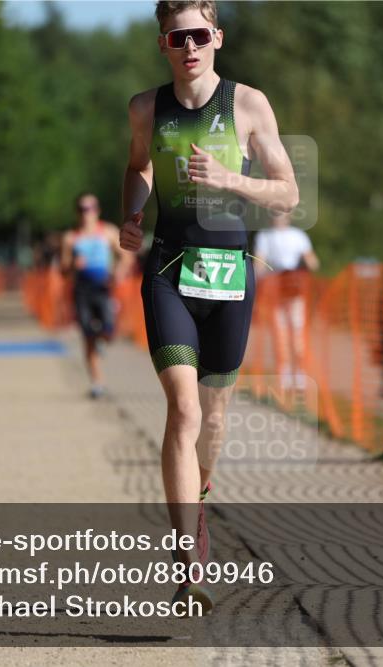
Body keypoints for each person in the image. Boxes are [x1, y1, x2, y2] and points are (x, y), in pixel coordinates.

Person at [119, 0, 298, 612]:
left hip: (230, 276)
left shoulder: (248, 105)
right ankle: (187, 549)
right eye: (177, 37)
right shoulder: (147, 107)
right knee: (185, 409)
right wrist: (132, 210)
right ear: (163, 45)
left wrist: (231, 179)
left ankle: (201, 492)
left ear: (217, 37)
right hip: (169, 268)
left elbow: (288, 194)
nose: (189, 46)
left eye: (199, 34)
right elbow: (138, 167)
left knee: (214, 420)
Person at [61, 193, 132, 399]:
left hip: (103, 288)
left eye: (91, 208)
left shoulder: (107, 232)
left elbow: (125, 257)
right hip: (82, 290)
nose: (87, 213)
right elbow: (63, 270)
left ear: (97, 211)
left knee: (109, 330)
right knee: (87, 335)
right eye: (83, 209)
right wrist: (73, 265)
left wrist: (118, 273)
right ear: (77, 212)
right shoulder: (71, 237)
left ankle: (102, 339)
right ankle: (97, 382)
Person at [252, 210, 319, 390]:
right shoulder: (265, 236)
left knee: (297, 332)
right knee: (279, 333)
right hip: (274, 291)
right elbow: (259, 263)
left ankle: (300, 373)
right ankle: (284, 373)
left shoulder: (298, 236)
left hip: (295, 290)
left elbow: (312, 262)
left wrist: (301, 269)